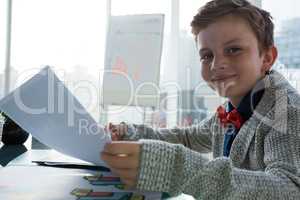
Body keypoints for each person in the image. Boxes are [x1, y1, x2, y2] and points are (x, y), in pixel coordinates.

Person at [101, 0, 300, 199]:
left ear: (266, 58)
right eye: (206, 55)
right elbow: (188, 138)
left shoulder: (286, 110)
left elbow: (289, 191)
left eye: (234, 50)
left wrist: (176, 169)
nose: (217, 64)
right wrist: (131, 134)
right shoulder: (232, 108)